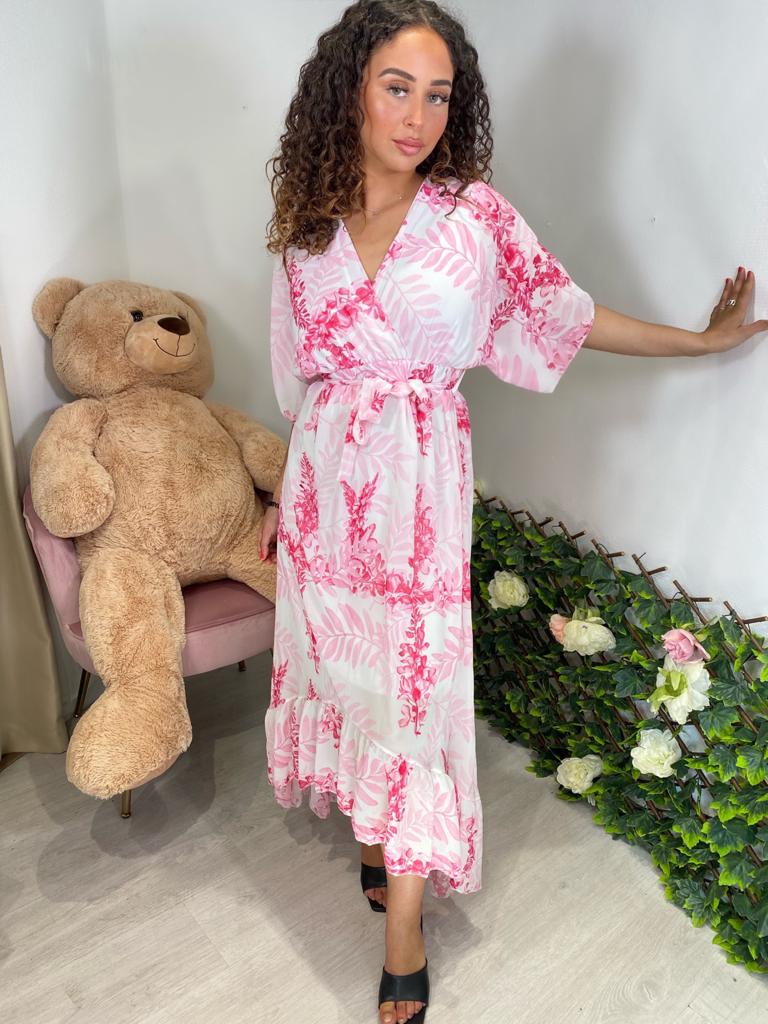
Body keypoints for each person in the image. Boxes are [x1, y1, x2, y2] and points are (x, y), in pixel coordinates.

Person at [259, 3, 766, 1022]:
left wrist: (700, 341)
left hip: (419, 502)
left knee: (412, 696)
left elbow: (564, 312)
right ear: (349, 90)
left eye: (438, 95)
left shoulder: (470, 219)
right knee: (347, 680)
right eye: (397, 88)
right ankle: (376, 837)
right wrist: (293, 494)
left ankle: (405, 926)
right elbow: (295, 383)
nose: (418, 117)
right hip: (325, 502)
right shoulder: (306, 230)